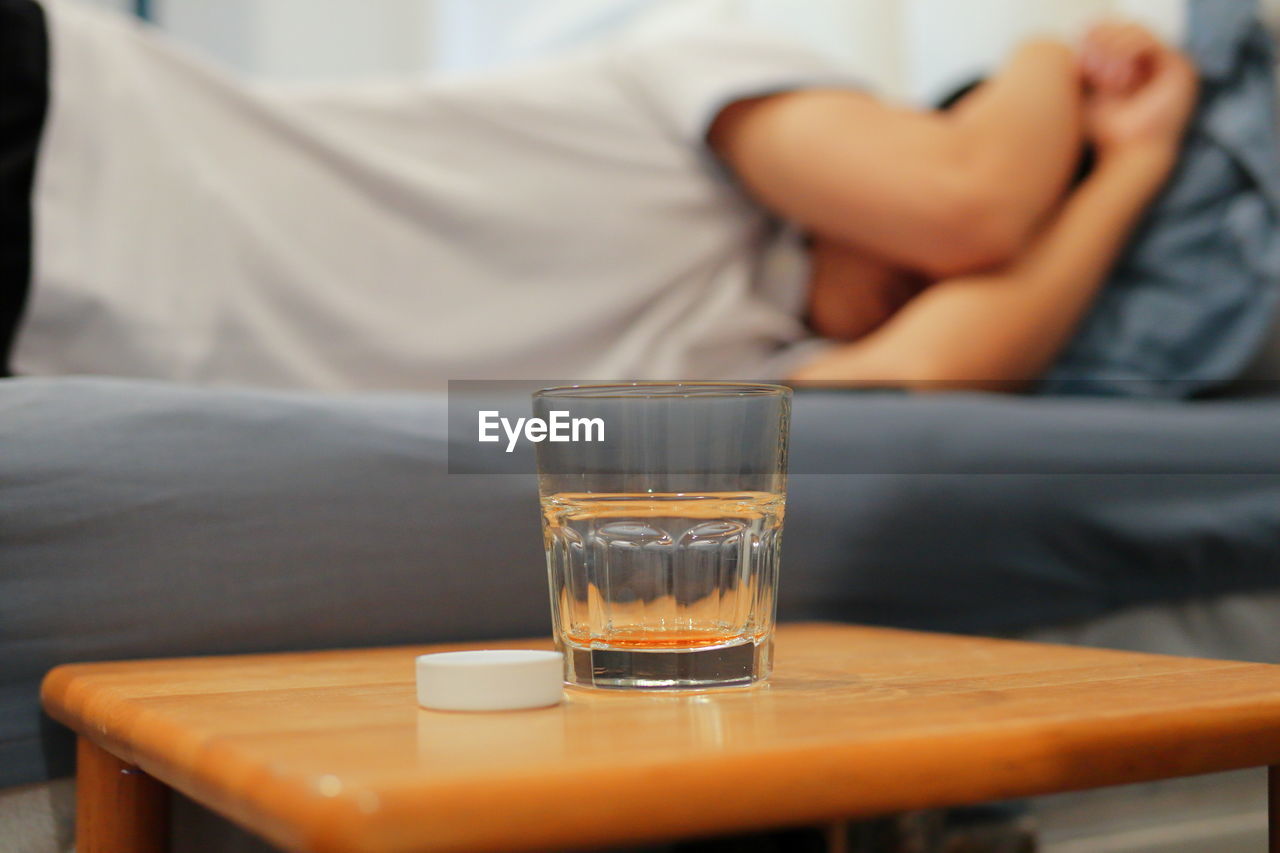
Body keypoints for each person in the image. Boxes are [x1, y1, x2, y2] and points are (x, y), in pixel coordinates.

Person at [1, 0, 1196, 391]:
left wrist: (1133, 169)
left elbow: (930, 369)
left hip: (51, 312)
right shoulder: (719, 69)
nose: (939, 285)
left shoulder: (757, 359)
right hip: (69, 129)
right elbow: (967, 202)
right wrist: (1059, 51)